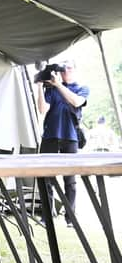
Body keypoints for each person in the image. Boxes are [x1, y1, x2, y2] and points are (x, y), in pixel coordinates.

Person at [36, 59, 89, 228]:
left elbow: (76, 102)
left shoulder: (81, 88)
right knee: (45, 178)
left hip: (70, 137)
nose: (65, 72)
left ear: (74, 70)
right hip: (50, 136)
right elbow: (43, 109)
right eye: (63, 69)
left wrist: (58, 85)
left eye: (68, 69)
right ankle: (46, 216)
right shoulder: (52, 88)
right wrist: (39, 85)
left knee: (70, 180)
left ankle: (70, 218)